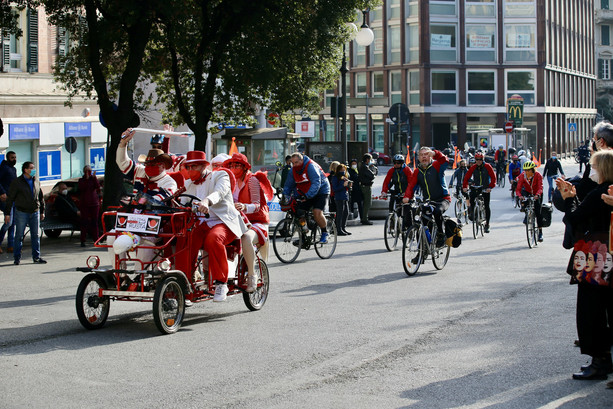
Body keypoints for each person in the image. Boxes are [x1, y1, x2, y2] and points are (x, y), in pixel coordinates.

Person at [558, 150, 613, 380]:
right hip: (609, 254)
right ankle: (604, 360)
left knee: (591, 309)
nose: (592, 171)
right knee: (605, 309)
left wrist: (569, 198)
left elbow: (575, 217)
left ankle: (599, 361)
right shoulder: (606, 192)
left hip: (594, 258)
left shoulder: (601, 193)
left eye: (595, 167)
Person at [179, 151, 248, 301]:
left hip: (223, 221)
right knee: (183, 238)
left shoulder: (220, 176)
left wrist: (207, 201)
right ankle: (184, 281)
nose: (190, 170)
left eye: (194, 166)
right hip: (201, 223)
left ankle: (221, 282)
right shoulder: (188, 183)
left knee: (214, 239)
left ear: (204, 166)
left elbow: (220, 192)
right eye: (188, 167)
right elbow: (181, 202)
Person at [223, 153, 273, 293]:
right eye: (231, 165)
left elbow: (257, 205)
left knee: (246, 238)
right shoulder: (230, 181)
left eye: (237, 165)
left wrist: (244, 206)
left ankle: (252, 275)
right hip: (236, 221)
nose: (234, 168)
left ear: (244, 167)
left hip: (256, 222)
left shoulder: (252, 180)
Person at [402, 147, 450, 245]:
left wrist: (436, 153)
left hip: (442, 199)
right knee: (422, 224)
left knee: (437, 211)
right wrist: (407, 197)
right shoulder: (417, 171)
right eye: (421, 155)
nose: (424, 157)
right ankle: (421, 253)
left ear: (430, 156)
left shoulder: (437, 165)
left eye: (426, 154)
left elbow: (445, 161)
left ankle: (441, 234)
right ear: (418, 158)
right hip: (428, 201)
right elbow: (411, 186)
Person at [283, 152, 331, 243]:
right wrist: (285, 197)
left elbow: (316, 182)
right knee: (298, 211)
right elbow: (288, 185)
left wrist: (308, 196)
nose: (294, 165)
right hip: (306, 191)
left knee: (317, 212)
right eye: (293, 163)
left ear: (302, 160)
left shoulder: (311, 166)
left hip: (322, 190)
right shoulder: (293, 170)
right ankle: (304, 235)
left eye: (296, 162)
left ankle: (325, 233)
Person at [118, 128, 177, 201]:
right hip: (134, 211)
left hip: (155, 212)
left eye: (153, 165)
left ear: (163, 165)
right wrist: (123, 143)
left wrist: (142, 201)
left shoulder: (169, 182)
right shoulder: (139, 171)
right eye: (147, 164)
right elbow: (122, 162)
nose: (149, 167)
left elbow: (159, 199)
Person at [4, 161, 46, 265]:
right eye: (31, 168)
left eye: (34, 168)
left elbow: (40, 197)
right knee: (19, 236)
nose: (33, 170)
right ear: (25, 170)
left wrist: (42, 211)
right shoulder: (17, 182)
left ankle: (36, 257)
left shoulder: (36, 181)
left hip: (35, 212)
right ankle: (17, 257)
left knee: (35, 235)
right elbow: (10, 199)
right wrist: (7, 213)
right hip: (21, 212)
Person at [462, 151, 496, 233]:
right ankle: (473, 213)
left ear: (483, 159)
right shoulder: (473, 167)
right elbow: (466, 177)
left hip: (485, 188)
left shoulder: (488, 166)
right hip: (476, 186)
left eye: (480, 159)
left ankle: (487, 224)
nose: (478, 161)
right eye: (477, 159)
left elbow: (493, 177)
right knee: (472, 200)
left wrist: (490, 186)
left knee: (487, 205)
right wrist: (465, 186)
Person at [516, 161, 544, 242]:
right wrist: (520, 196)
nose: (527, 172)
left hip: (537, 193)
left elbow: (540, 187)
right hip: (528, 192)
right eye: (525, 170)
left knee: (538, 211)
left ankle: (540, 232)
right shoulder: (523, 175)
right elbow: (518, 188)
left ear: (533, 170)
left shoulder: (538, 175)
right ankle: (526, 215)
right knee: (525, 201)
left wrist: (537, 195)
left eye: (529, 170)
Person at [78, 165, 101, 247]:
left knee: (95, 222)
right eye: (87, 171)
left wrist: (94, 178)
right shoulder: (81, 180)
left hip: (94, 204)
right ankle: (83, 240)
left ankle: (96, 239)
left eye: (90, 171)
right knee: (84, 222)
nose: (88, 172)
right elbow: (82, 188)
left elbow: (97, 186)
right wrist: (87, 179)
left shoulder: (93, 179)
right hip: (85, 204)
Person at [0, 150, 17, 253]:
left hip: (14, 198)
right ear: (7, 158)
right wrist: (2, 192)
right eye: (12, 158)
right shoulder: (4, 168)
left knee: (13, 223)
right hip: (5, 199)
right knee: (8, 222)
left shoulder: (13, 169)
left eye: (15, 157)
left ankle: (11, 245)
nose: (14, 159)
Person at [330, 163, 351, 236]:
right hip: (339, 197)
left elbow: (346, 188)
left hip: (345, 197)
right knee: (340, 213)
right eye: (342, 170)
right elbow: (335, 188)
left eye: (344, 170)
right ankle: (338, 229)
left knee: (346, 212)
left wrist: (349, 185)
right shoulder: (335, 177)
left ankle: (343, 228)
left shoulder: (344, 177)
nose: (343, 171)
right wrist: (343, 185)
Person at [358, 153, 375, 225]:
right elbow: (372, 175)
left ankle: (364, 218)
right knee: (367, 203)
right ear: (367, 160)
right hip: (366, 187)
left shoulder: (362, 166)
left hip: (364, 186)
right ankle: (365, 218)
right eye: (370, 159)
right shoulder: (365, 167)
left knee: (366, 203)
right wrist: (372, 169)